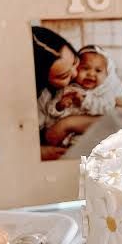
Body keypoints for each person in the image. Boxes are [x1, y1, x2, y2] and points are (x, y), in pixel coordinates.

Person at [32, 26, 100, 160]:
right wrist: (39, 152)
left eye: (75, 61)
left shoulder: (99, 74)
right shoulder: (42, 99)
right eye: (64, 76)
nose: (75, 74)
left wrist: (68, 123)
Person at [42, 45, 122, 139]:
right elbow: (50, 111)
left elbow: (107, 109)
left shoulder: (104, 92)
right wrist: (60, 106)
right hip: (66, 136)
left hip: (93, 133)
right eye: (85, 68)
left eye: (98, 70)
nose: (91, 74)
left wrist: (85, 100)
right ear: (76, 69)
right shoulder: (68, 89)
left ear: (107, 74)